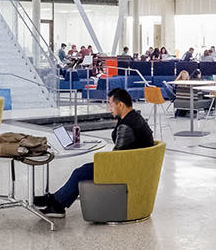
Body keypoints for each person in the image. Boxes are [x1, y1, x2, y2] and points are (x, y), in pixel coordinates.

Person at [34, 87, 154, 217]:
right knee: (83, 170)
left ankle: (56, 203)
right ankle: (56, 201)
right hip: (135, 165)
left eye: (111, 104)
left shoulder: (127, 125)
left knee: (80, 173)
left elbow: (117, 157)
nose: (109, 108)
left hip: (126, 169)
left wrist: (102, 161)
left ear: (120, 104)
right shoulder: (134, 117)